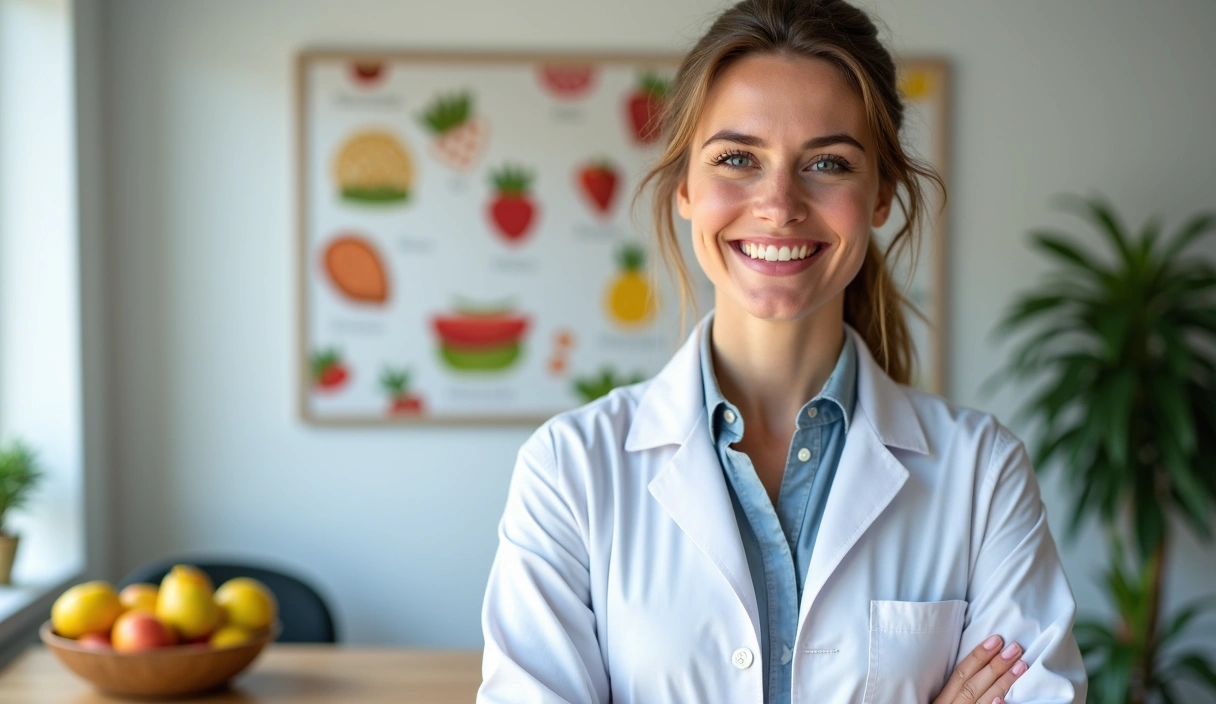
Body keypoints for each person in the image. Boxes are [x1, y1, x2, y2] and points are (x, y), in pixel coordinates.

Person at [478, 0, 1087, 701]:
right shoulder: (569, 471)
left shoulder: (982, 472)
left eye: (828, 162)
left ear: (881, 195)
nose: (779, 204)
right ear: (685, 187)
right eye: (737, 158)